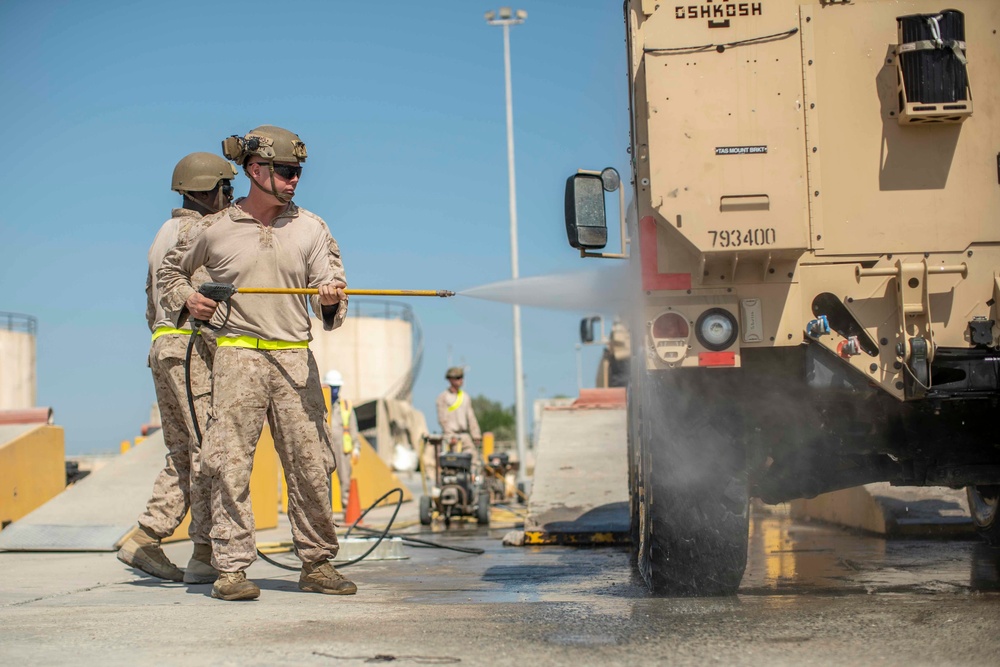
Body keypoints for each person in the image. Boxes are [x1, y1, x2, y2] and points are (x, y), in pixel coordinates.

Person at [159, 125, 356, 601]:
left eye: (298, 172)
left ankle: (317, 562)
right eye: (286, 171)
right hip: (237, 355)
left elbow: (331, 288)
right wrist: (189, 299)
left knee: (311, 464)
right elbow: (169, 273)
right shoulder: (214, 228)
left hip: (293, 357)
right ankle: (230, 570)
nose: (294, 180)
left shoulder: (311, 227)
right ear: (254, 170)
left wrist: (329, 299)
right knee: (228, 465)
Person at [117, 152, 236, 584]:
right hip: (190, 349)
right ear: (209, 190)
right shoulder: (202, 229)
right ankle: (204, 552)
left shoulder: (163, 232)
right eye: (227, 189)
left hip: (162, 345)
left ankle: (144, 537)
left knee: (183, 453)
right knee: (208, 449)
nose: (230, 197)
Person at [324, 369, 360, 510]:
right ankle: (325, 511)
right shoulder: (320, 404)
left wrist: (356, 447)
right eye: (332, 387)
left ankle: (347, 509)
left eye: (337, 387)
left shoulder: (345, 406)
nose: (335, 391)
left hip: (342, 447)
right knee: (322, 480)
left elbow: (353, 428)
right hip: (324, 445)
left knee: (345, 478)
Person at [435, 367, 482, 465]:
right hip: (450, 436)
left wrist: (476, 435)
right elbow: (442, 419)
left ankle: (470, 479)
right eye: (458, 378)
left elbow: (471, 417)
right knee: (453, 463)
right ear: (450, 380)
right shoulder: (443, 397)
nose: (461, 380)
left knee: (473, 460)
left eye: (461, 377)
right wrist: (450, 435)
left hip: (464, 435)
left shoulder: (465, 397)